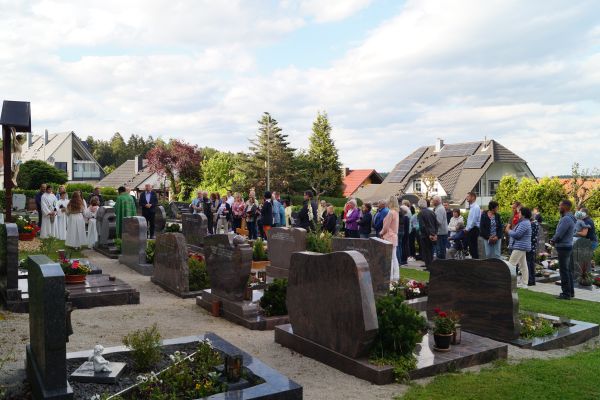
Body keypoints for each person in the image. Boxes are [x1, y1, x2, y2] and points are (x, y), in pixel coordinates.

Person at [551, 200, 576, 300]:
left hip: (563, 247)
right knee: (567, 270)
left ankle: (566, 293)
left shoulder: (566, 219)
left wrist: (553, 240)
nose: (558, 207)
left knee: (564, 271)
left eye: (560, 205)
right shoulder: (570, 218)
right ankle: (570, 292)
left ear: (565, 207)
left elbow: (560, 233)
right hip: (567, 246)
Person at [506, 207, 532, 288]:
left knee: (511, 264)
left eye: (520, 213)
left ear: (523, 214)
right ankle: (524, 283)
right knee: (523, 265)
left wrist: (508, 231)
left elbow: (517, 235)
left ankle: (509, 283)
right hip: (521, 246)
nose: (518, 214)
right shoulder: (525, 222)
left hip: (520, 247)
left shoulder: (524, 223)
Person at [380, 196, 399, 282]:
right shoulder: (396, 212)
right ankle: (395, 276)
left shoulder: (391, 212)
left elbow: (386, 227)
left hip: (389, 236)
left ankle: (390, 276)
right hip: (394, 236)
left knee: (389, 258)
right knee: (394, 257)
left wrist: (381, 233)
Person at [417, 198, 438, 269]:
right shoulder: (432, 212)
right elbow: (436, 224)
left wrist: (429, 234)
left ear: (419, 205)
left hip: (425, 235)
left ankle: (428, 266)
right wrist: (435, 234)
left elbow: (422, 226)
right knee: (431, 250)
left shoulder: (421, 213)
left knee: (426, 251)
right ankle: (431, 265)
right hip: (433, 234)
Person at [465, 192, 481, 259]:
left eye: (468, 196)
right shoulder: (472, 207)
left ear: (473, 197)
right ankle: (474, 260)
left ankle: (476, 261)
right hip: (471, 229)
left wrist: (468, 229)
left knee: (473, 247)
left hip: (473, 229)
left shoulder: (476, 207)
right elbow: (470, 220)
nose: (467, 198)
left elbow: (474, 221)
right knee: (471, 248)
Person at [527, 211, 539, 286]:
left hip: (529, 245)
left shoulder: (531, 224)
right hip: (533, 246)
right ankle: (533, 280)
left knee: (528, 263)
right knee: (531, 263)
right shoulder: (536, 223)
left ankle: (529, 280)